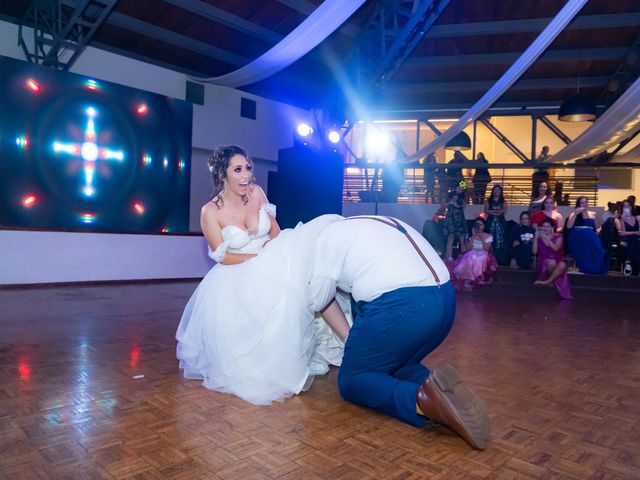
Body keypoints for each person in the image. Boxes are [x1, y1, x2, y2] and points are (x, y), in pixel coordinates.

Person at [175, 145, 346, 405]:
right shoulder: (210, 211)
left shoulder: (257, 193)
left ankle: (349, 340)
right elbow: (222, 256)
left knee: (312, 279)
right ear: (223, 174)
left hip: (273, 255)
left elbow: (275, 230)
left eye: (248, 168)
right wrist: (256, 260)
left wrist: (282, 254)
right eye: (238, 170)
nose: (246, 176)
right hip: (238, 270)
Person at [308, 215, 490, 450]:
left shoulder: (325, 241)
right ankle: (435, 387)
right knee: (394, 364)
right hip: (445, 301)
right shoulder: (369, 223)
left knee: (353, 379)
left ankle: (422, 403)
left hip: (406, 307)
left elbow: (318, 299)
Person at [566, 196, 609, 275]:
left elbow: (597, 227)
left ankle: (594, 266)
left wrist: (598, 227)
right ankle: (585, 266)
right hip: (577, 235)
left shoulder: (593, 214)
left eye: (586, 202)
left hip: (590, 235)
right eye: (582, 203)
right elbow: (569, 226)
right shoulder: (574, 214)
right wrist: (576, 213)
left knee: (593, 238)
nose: (584, 204)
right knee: (588, 234)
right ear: (578, 204)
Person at [451, 217, 497, 289]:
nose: (478, 226)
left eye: (480, 224)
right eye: (477, 224)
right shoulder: (471, 236)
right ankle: (469, 279)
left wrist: (481, 238)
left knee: (480, 256)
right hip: (472, 253)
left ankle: (478, 277)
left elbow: (486, 250)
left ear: (484, 226)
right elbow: (468, 249)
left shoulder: (488, 236)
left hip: (484, 254)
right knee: (471, 255)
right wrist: (473, 236)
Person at [533, 218, 572, 300]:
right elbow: (534, 251)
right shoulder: (539, 237)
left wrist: (546, 238)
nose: (545, 228)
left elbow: (556, 249)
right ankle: (551, 279)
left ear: (552, 227)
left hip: (556, 259)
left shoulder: (558, 237)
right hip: (543, 261)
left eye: (548, 227)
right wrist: (535, 238)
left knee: (562, 265)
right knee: (552, 262)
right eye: (543, 226)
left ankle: (548, 281)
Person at [484, 184, 508, 265]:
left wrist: (493, 212)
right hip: (490, 222)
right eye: (495, 190)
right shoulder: (488, 201)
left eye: (498, 190)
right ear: (492, 191)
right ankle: (489, 257)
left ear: (501, 191)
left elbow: (504, 211)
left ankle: (499, 259)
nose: (497, 191)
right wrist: (497, 212)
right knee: (490, 239)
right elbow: (486, 211)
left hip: (500, 223)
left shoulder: (503, 202)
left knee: (500, 240)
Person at [443, 184, 468, 261]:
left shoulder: (463, 196)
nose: (461, 190)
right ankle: (449, 257)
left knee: (462, 237)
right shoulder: (449, 194)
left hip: (459, 217)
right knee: (451, 236)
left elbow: (463, 205)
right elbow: (443, 206)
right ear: (457, 186)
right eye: (460, 188)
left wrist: (461, 203)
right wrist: (451, 201)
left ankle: (464, 257)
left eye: (462, 189)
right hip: (451, 217)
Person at [616, 199, 640, 276]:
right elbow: (622, 233)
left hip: (636, 239)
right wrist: (623, 221)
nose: (626, 208)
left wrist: (630, 233)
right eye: (624, 206)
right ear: (622, 208)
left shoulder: (638, 218)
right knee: (633, 238)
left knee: (634, 239)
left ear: (632, 207)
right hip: (627, 239)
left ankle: (628, 262)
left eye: (628, 206)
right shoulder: (619, 219)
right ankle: (636, 267)